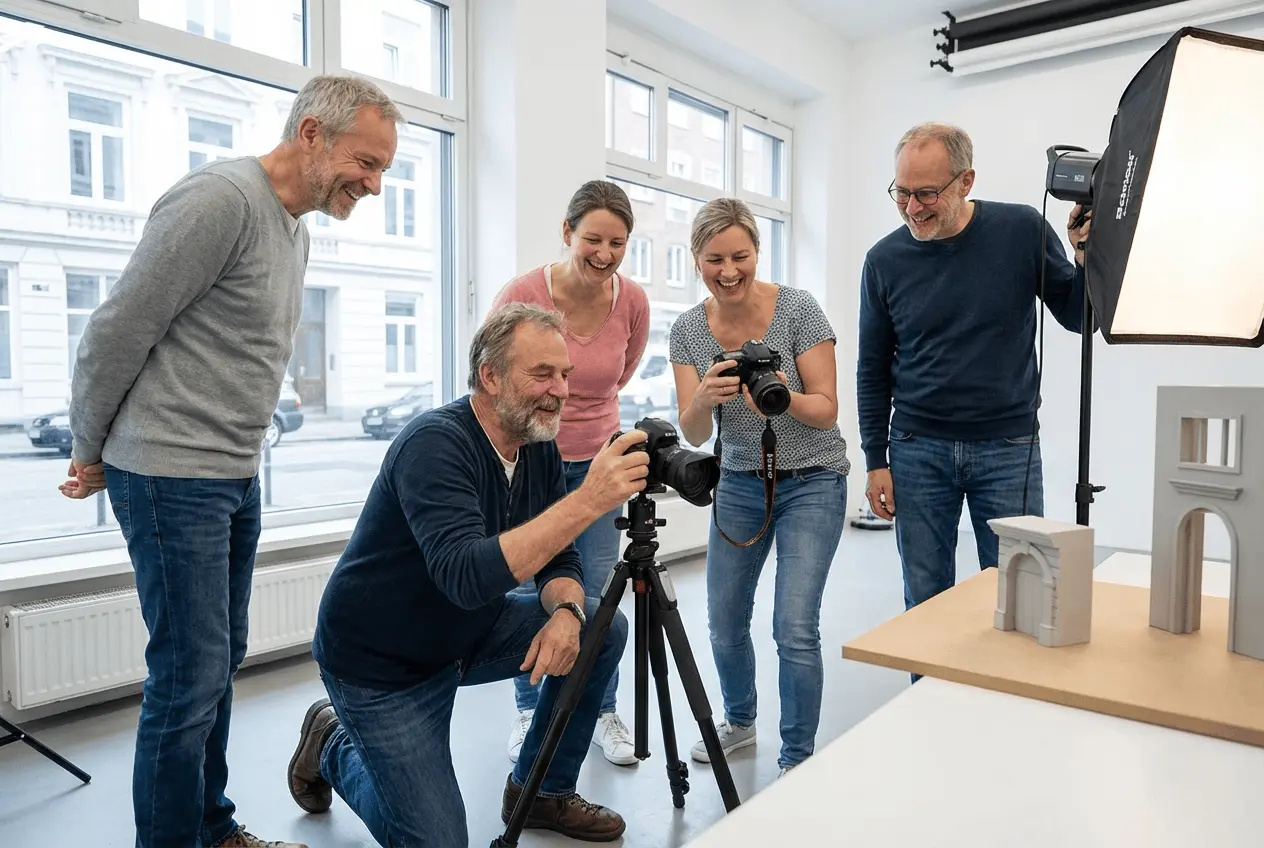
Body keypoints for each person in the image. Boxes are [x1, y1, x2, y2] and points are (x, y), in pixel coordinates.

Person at [59, 75, 402, 848]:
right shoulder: (218, 201)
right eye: (367, 162)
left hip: (231, 473)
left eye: (383, 169)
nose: (375, 185)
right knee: (186, 676)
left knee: (216, 664)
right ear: (311, 132)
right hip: (170, 473)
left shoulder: (295, 226)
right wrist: (88, 450)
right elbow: (115, 332)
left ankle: (212, 828)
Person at [289, 303, 646, 846]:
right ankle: (331, 742)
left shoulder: (536, 443)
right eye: (542, 374)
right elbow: (464, 576)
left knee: (603, 625)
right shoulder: (434, 445)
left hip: (466, 632)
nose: (561, 390)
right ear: (490, 376)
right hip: (384, 664)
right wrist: (590, 500)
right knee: (438, 841)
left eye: (565, 374)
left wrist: (569, 612)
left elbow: (560, 558)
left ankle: (542, 790)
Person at [856, 121, 1094, 619]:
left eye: (926, 193)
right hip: (917, 450)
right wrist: (876, 457)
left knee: (1022, 595)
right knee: (925, 602)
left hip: (1008, 449)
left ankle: (1007, 699)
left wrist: (1084, 258)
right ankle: (927, 701)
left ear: (966, 182)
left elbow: (1078, 319)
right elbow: (872, 366)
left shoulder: (1022, 230)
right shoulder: (883, 260)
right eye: (902, 193)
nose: (912, 208)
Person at [669, 198, 850, 776]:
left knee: (794, 626)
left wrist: (779, 397)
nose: (728, 271)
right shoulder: (687, 331)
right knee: (723, 620)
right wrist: (703, 399)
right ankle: (741, 722)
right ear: (696, 259)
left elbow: (825, 410)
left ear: (756, 252)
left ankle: (797, 757)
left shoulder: (799, 310)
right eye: (714, 259)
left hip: (814, 480)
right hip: (741, 481)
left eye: (740, 256)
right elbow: (693, 430)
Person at [491, 179, 649, 767]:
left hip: (600, 462)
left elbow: (620, 373)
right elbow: (493, 370)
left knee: (599, 591)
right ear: (567, 232)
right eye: (593, 240)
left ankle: (600, 708)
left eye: (618, 243)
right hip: (534, 462)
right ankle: (529, 709)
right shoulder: (524, 293)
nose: (604, 254)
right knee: (530, 587)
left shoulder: (631, 300)